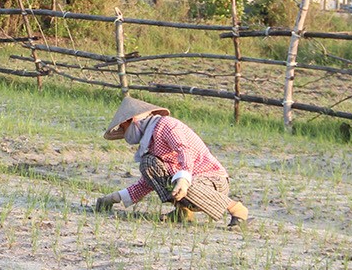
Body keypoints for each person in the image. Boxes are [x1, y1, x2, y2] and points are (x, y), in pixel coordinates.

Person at [94, 96, 250, 227]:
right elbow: (150, 181)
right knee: (148, 164)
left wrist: (183, 180)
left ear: (133, 120)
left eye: (124, 126)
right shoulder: (150, 143)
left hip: (212, 180)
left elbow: (184, 150)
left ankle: (236, 209)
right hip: (188, 181)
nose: (124, 130)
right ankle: (183, 212)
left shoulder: (166, 125)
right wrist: (115, 197)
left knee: (186, 185)